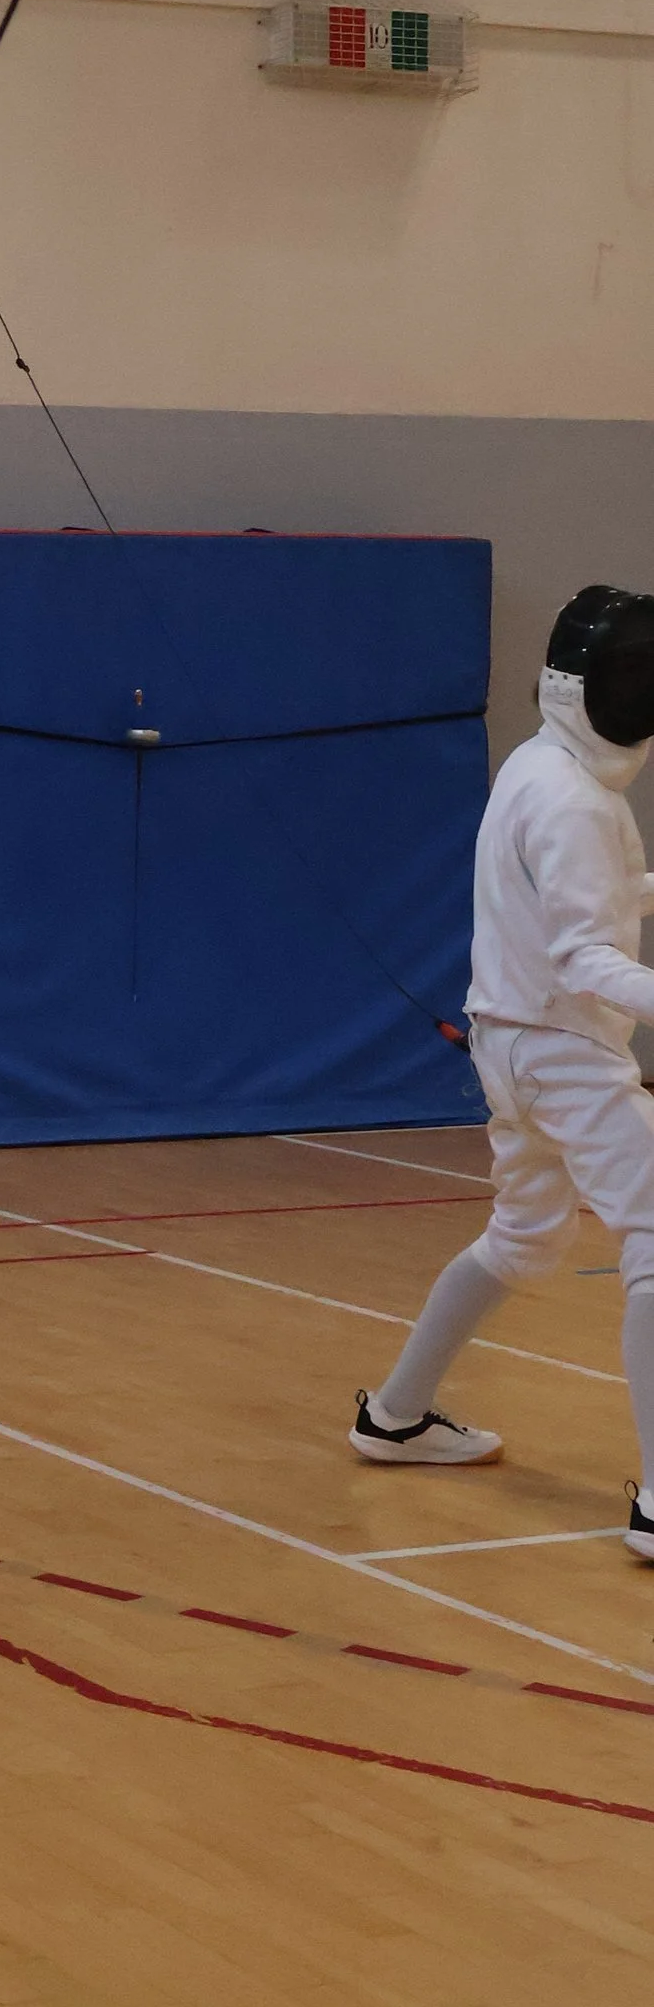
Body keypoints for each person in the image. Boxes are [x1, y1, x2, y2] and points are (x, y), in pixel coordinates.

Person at [352, 582, 654, 1561]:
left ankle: (395, 1414)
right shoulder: (575, 802)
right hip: (565, 1051)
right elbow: (584, 961)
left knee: (522, 1239)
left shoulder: (536, 766)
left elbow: (575, 902)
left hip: (505, 1043)